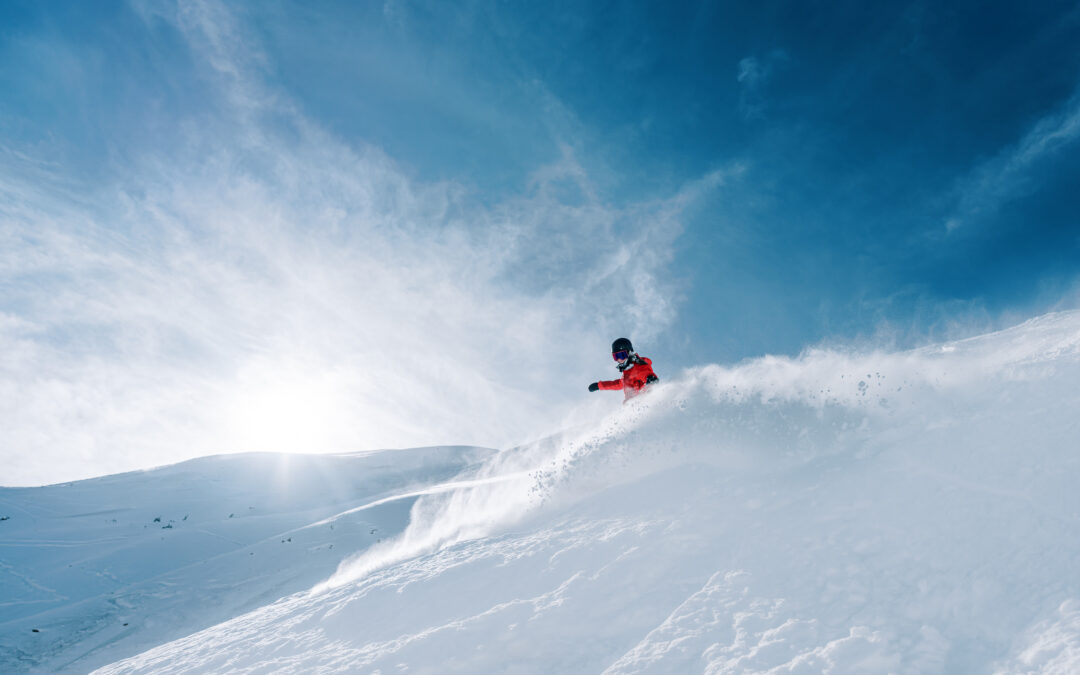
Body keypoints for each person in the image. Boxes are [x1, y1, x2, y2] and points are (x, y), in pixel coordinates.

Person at [588, 337, 659, 401]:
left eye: (621, 355)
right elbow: (618, 384)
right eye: (616, 356)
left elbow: (644, 371)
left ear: (629, 352)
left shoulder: (638, 365)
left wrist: (650, 377)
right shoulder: (627, 372)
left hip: (644, 401)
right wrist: (599, 386)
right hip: (633, 406)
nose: (619, 359)